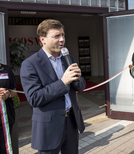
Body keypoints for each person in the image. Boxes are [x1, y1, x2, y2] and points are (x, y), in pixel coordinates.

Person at [20, 19, 86, 154]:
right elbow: (34, 98)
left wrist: (78, 79)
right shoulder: (30, 64)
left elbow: (80, 87)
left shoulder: (68, 58)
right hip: (49, 126)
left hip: (71, 122)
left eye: (63, 35)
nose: (62, 39)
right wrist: (63, 82)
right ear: (43, 39)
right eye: (56, 36)